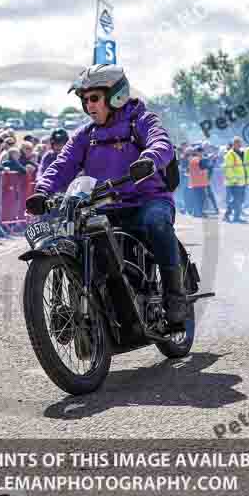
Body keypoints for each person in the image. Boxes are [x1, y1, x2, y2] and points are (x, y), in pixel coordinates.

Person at [28, 64, 189, 331]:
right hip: (104, 206)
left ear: (115, 96)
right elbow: (62, 164)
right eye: (85, 99)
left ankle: (175, 297)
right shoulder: (85, 135)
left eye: (94, 98)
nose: (89, 105)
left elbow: (161, 143)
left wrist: (149, 159)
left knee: (156, 223)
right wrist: (42, 190)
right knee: (79, 238)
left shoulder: (142, 120)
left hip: (147, 200)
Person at [223, 136, 246, 223]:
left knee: (239, 200)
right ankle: (229, 215)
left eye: (240, 142)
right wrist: (234, 180)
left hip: (241, 181)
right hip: (233, 182)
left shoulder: (241, 153)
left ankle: (236, 216)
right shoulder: (230, 154)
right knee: (236, 200)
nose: (239, 144)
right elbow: (228, 168)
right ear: (234, 144)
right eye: (237, 142)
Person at [187, 147, 211, 218]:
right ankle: (198, 212)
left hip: (199, 182)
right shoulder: (196, 160)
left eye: (202, 151)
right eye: (200, 151)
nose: (201, 153)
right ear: (197, 152)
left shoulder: (196, 159)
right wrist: (206, 166)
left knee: (200, 198)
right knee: (200, 198)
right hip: (198, 183)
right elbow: (202, 168)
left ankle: (197, 212)